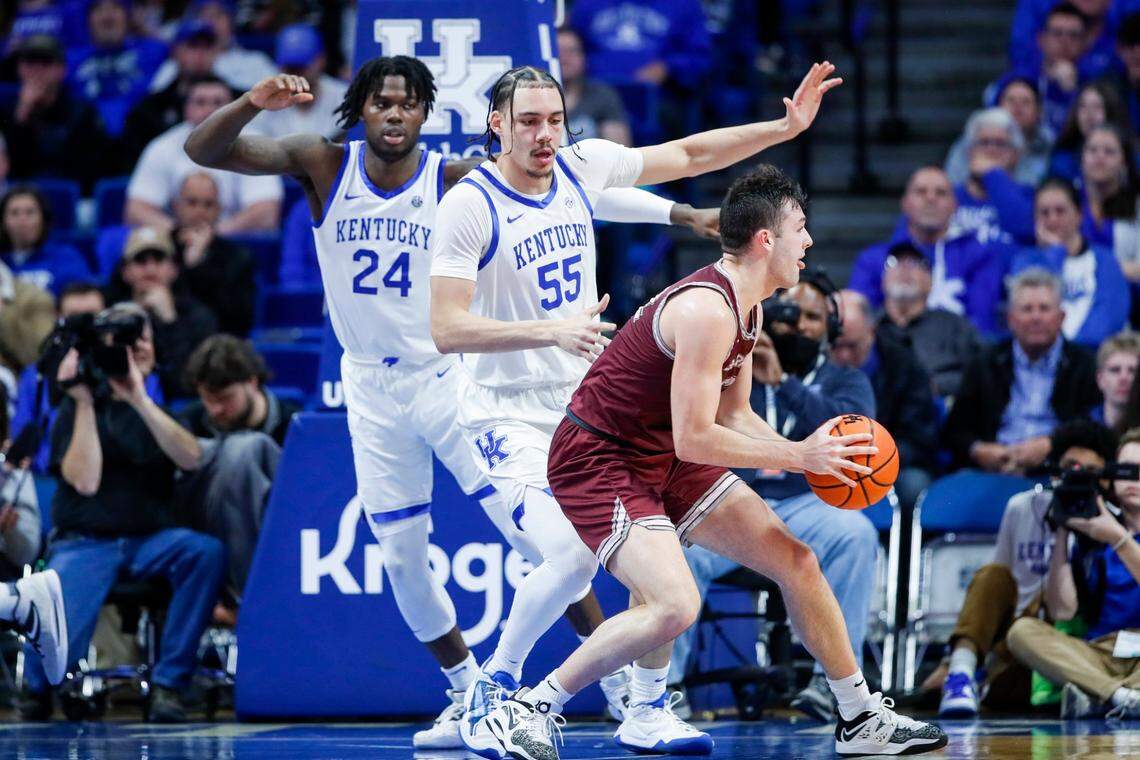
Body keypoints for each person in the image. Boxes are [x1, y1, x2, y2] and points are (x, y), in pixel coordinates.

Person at [184, 56, 718, 749]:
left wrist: (678, 212)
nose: (396, 115)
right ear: (362, 112)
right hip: (369, 387)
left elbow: (583, 189)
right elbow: (207, 149)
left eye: (409, 104)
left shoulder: (455, 177)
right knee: (403, 556)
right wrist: (251, 102)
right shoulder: (322, 162)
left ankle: (616, 687)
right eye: (382, 103)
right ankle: (467, 691)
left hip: (451, 375)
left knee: (552, 543)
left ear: (426, 114)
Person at [427, 60, 846, 754]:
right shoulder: (470, 204)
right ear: (497, 125)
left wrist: (783, 127)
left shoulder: (579, 168)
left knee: (653, 551)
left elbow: (687, 154)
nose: (545, 135)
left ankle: (645, 708)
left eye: (555, 120)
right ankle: (496, 689)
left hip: (586, 403)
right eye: (528, 122)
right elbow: (445, 327)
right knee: (569, 557)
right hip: (506, 413)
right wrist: (549, 331)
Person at [470, 164, 948, 759]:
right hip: (601, 456)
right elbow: (698, 438)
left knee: (796, 560)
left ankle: (857, 717)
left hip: (663, 451)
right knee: (675, 602)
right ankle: (526, 709)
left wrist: (804, 457)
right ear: (766, 239)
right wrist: (800, 455)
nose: (809, 243)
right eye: (800, 229)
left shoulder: (747, 308)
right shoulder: (707, 310)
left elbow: (735, 414)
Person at [669, 273, 880, 725]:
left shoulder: (846, 380)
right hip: (732, 499)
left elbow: (854, 439)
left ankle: (834, 684)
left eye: (812, 317)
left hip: (809, 504)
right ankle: (661, 689)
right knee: (673, 546)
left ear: (831, 326)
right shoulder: (730, 364)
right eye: (789, 314)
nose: (798, 326)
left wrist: (784, 383)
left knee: (856, 534)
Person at [20, 302, 224, 722]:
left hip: (150, 540)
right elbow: (87, 480)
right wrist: (84, 402)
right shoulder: (74, 411)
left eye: (141, 339)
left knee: (204, 553)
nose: (132, 349)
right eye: (122, 341)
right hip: (86, 542)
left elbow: (191, 459)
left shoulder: (159, 412)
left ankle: (170, 684)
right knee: (51, 665)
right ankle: (37, 687)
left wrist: (137, 395)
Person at [934, 420, 1117, 717]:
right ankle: (960, 673)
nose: (1077, 477)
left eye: (1090, 472)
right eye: (1070, 466)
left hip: (1060, 645)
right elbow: (992, 588)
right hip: (1010, 641)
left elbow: (1069, 611)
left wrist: (1071, 530)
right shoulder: (1022, 507)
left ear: (1106, 480)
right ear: (1054, 467)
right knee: (992, 575)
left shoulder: (1109, 523)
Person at [1007, 426, 1140, 719]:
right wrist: (1064, 533)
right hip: (1100, 653)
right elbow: (1063, 610)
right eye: (1126, 471)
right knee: (1022, 632)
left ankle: (1099, 697)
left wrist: (1118, 538)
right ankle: (1120, 696)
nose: (1133, 481)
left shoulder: (1110, 533)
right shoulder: (1092, 533)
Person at [943, 267, 1101, 474]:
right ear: (1011, 319)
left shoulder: (1085, 364)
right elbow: (956, 429)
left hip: (1058, 470)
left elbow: (1095, 426)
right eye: (1027, 309)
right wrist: (978, 450)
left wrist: (1053, 444)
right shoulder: (985, 362)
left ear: (1061, 317)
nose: (1036, 317)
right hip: (994, 470)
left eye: (1044, 308)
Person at [847, 166, 1008, 336]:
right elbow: (857, 318)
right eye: (921, 192)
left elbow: (981, 322)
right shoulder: (874, 259)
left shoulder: (980, 256)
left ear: (955, 205)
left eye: (941, 193)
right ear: (905, 203)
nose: (931, 198)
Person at [127, 75, 282, 234]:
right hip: (175, 246)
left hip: (234, 244)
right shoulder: (162, 147)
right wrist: (179, 235)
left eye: (218, 103)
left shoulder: (256, 145)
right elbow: (136, 211)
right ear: (186, 109)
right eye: (200, 102)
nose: (209, 110)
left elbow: (266, 214)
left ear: (234, 109)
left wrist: (214, 238)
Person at [832, 289, 938, 512]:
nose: (843, 356)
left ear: (871, 331)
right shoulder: (815, 361)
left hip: (891, 462)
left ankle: (906, 547)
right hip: (828, 462)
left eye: (852, 346)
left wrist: (874, 458)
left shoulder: (906, 365)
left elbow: (920, 439)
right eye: (836, 345)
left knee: (914, 488)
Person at [1011, 177, 1129, 349]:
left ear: (1079, 214)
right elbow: (1028, 314)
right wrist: (1055, 253)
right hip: (1041, 353)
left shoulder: (1105, 260)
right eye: (1044, 212)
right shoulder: (1025, 261)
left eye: (1060, 211)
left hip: (1090, 356)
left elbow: (1108, 320)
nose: (1052, 219)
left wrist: (1070, 354)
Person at [114, 226, 218, 399]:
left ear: (174, 269)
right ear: (125, 272)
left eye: (159, 259)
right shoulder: (112, 316)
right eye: (141, 261)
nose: (150, 269)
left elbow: (191, 384)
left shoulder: (199, 317)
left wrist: (170, 320)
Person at [0, 33, 111, 191]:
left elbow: (88, 172)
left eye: (46, 62)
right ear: (19, 68)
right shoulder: (6, 111)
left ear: (62, 69)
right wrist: (21, 116)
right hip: (16, 199)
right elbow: (11, 169)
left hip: (72, 199)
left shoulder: (82, 113)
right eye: (30, 61)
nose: (37, 69)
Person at [875, 242, 982, 403]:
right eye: (894, 262)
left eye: (916, 263)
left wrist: (937, 386)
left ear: (931, 282)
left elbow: (983, 373)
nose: (904, 269)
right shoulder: (869, 327)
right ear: (883, 280)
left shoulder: (954, 326)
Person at [121, 20, 225, 162]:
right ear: (175, 51)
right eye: (192, 46)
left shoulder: (239, 99)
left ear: (216, 52)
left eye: (207, 46)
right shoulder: (149, 109)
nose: (200, 54)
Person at [65, 0, 168, 139]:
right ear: (88, 19)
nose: (107, 16)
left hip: (138, 137)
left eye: (115, 7)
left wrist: (142, 27)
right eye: (98, 9)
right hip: (85, 140)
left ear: (127, 16)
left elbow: (183, 50)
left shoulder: (153, 50)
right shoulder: (70, 60)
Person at [170, 172, 256, 335]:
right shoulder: (156, 251)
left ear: (218, 210)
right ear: (176, 206)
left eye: (208, 204)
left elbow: (240, 321)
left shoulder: (237, 257)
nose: (200, 211)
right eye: (192, 202)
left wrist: (197, 266)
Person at [180, 334, 299, 446]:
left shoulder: (294, 425)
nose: (215, 410)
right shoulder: (190, 423)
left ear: (252, 382)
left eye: (225, 398)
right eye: (207, 399)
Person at [950, 107, 1035, 246]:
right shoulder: (948, 196)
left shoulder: (1029, 196)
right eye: (984, 142)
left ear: (1016, 155)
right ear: (969, 152)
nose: (991, 150)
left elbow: (1025, 228)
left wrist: (993, 175)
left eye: (1000, 143)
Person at [149, 0, 276, 93]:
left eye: (217, 15)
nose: (210, 22)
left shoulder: (256, 62)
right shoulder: (172, 68)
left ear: (231, 22)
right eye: (204, 15)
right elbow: (155, 103)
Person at [249, 24, 348, 141]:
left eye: (302, 67)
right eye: (290, 68)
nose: (296, 74)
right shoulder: (264, 99)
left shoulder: (344, 97)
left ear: (321, 60)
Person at [948, 76, 1054, 186]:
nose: (1018, 107)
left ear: (1039, 111)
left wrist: (995, 175)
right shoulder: (968, 142)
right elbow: (953, 185)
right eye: (1011, 100)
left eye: (1026, 102)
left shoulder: (1049, 146)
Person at [0, 185, 92, 298]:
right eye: (14, 213)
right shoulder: (2, 262)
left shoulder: (66, 257)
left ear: (43, 219)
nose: (22, 220)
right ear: (3, 222)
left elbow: (81, 300)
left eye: (30, 212)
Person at [557, 26, 630, 145]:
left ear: (584, 58)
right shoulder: (533, 96)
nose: (565, 58)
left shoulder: (602, 95)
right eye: (558, 51)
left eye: (572, 51)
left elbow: (619, 151)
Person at [1047, 81, 1130, 183]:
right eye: (1083, 106)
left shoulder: (1132, 157)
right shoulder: (1061, 161)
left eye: (1097, 107)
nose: (1089, 114)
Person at [1092, 331, 1140, 431]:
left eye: (1133, 371)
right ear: (1100, 379)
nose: (1124, 378)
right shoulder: (1081, 430)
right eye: (1115, 370)